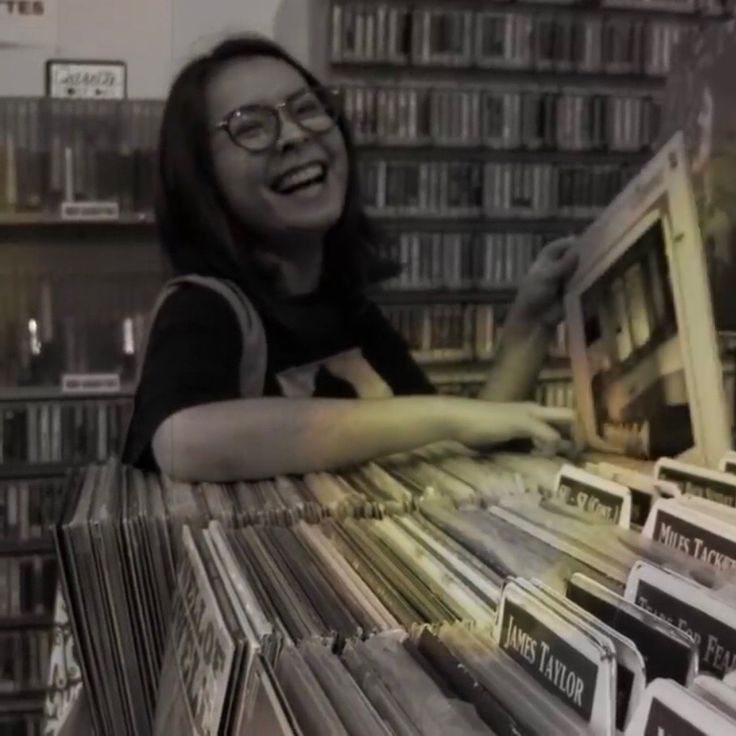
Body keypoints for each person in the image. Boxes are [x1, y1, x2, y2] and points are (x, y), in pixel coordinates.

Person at [121, 34, 579, 482]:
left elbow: (452, 448)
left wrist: (529, 327)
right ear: (201, 177)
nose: (295, 135)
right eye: (251, 126)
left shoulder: (350, 310)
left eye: (306, 109)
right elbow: (182, 442)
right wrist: (441, 415)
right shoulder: (204, 306)